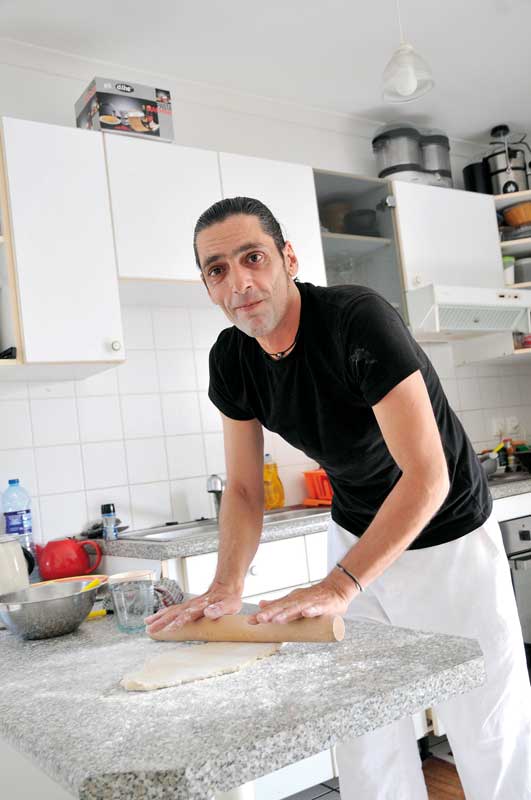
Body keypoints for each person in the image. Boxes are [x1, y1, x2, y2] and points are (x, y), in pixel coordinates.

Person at [146, 197, 531, 799]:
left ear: (288, 258)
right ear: (208, 286)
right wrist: (226, 584)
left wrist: (340, 584)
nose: (239, 282)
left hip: (448, 533)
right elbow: (243, 489)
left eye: (253, 257)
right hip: (355, 532)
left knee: (487, 726)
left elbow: (427, 476)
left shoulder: (357, 320)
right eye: (217, 269)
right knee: (364, 727)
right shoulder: (232, 359)